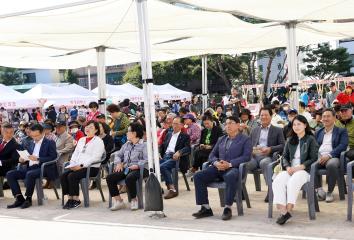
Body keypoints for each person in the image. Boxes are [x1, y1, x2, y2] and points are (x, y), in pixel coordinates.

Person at [192, 116, 252, 220]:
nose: (227, 125)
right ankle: (206, 208)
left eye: (231, 123)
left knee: (230, 176)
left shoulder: (245, 139)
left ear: (238, 125)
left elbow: (246, 156)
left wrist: (229, 164)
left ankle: (227, 208)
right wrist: (216, 163)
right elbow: (212, 155)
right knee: (198, 176)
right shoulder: (222, 139)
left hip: (234, 168)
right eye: (226, 123)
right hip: (218, 167)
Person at [272, 115, 319, 225]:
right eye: (294, 124)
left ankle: (288, 210)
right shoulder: (289, 139)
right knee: (278, 180)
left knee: (293, 182)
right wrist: (288, 167)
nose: (296, 127)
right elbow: (284, 157)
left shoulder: (310, 139)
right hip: (291, 169)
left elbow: (314, 158)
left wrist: (301, 167)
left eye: (299, 124)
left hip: (304, 171)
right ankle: (284, 212)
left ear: (305, 125)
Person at [6, 124, 57, 209]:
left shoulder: (50, 142)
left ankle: (28, 199)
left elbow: (53, 157)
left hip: (43, 168)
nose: (34, 138)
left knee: (30, 174)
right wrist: (22, 159)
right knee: (10, 174)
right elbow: (27, 156)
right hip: (29, 167)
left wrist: (38, 158)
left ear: (42, 133)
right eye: (32, 136)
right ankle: (19, 198)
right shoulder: (30, 143)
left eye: (36, 136)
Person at [61, 120, 105, 209]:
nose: (88, 129)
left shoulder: (98, 141)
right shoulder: (81, 140)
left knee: (72, 176)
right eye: (87, 127)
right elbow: (75, 154)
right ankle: (70, 198)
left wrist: (81, 166)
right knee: (63, 175)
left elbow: (96, 157)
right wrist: (72, 164)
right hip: (78, 166)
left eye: (91, 127)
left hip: (91, 167)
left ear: (96, 130)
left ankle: (76, 199)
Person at [106, 123, 148, 211]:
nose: (126, 133)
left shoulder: (144, 145)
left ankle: (134, 200)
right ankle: (119, 201)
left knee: (130, 177)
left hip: (140, 169)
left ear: (134, 133)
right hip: (127, 168)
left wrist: (137, 165)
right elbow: (118, 155)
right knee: (110, 177)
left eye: (128, 131)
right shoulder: (126, 144)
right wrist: (118, 163)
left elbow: (147, 159)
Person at [247, 107, 285, 201]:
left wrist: (270, 149)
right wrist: (251, 149)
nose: (263, 117)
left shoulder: (278, 130)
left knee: (265, 163)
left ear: (271, 116)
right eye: (261, 115)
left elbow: (283, 145)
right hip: (254, 156)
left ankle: (271, 190)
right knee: (244, 164)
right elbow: (248, 144)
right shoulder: (254, 130)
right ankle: (240, 190)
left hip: (268, 156)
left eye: (266, 115)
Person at [315, 109, 348, 202]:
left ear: (334, 118)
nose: (325, 118)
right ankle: (320, 191)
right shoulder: (318, 131)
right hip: (320, 156)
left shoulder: (341, 131)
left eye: (328, 116)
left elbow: (343, 145)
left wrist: (329, 155)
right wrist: (318, 156)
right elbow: (314, 146)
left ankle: (329, 191)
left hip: (333, 157)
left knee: (331, 165)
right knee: (311, 164)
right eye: (324, 116)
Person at [159, 117, 191, 199]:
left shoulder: (185, 136)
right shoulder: (168, 134)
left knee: (163, 167)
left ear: (181, 125)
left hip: (175, 158)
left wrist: (179, 152)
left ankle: (172, 189)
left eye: (176, 124)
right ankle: (158, 187)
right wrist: (159, 153)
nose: (174, 125)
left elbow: (188, 148)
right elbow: (162, 146)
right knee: (152, 165)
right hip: (165, 156)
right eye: (173, 123)